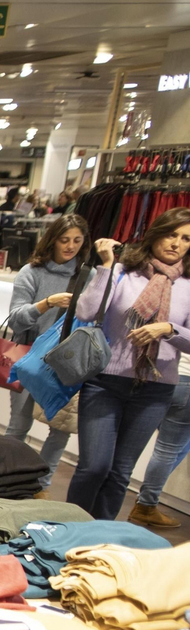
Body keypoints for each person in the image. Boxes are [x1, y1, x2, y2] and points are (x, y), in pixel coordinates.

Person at [69, 211, 190, 520]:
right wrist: (106, 266)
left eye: (185, 238)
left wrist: (169, 330)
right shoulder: (124, 271)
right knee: (95, 466)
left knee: (120, 472)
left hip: (156, 389)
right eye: (171, 234)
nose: (176, 244)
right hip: (105, 382)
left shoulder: (187, 286)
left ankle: (100, 539)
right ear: (155, 234)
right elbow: (86, 310)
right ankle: (67, 529)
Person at [4, 215, 88, 490]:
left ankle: (41, 485)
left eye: (77, 240)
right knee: (19, 425)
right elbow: (16, 319)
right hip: (29, 358)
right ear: (52, 240)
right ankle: (5, 478)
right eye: (64, 240)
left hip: (66, 360)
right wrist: (46, 304)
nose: (70, 246)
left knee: (61, 428)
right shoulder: (32, 272)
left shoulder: (88, 275)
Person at [130, 354, 190, 529]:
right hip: (187, 381)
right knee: (168, 449)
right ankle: (145, 506)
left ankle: (145, 500)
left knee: (177, 447)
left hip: (163, 376)